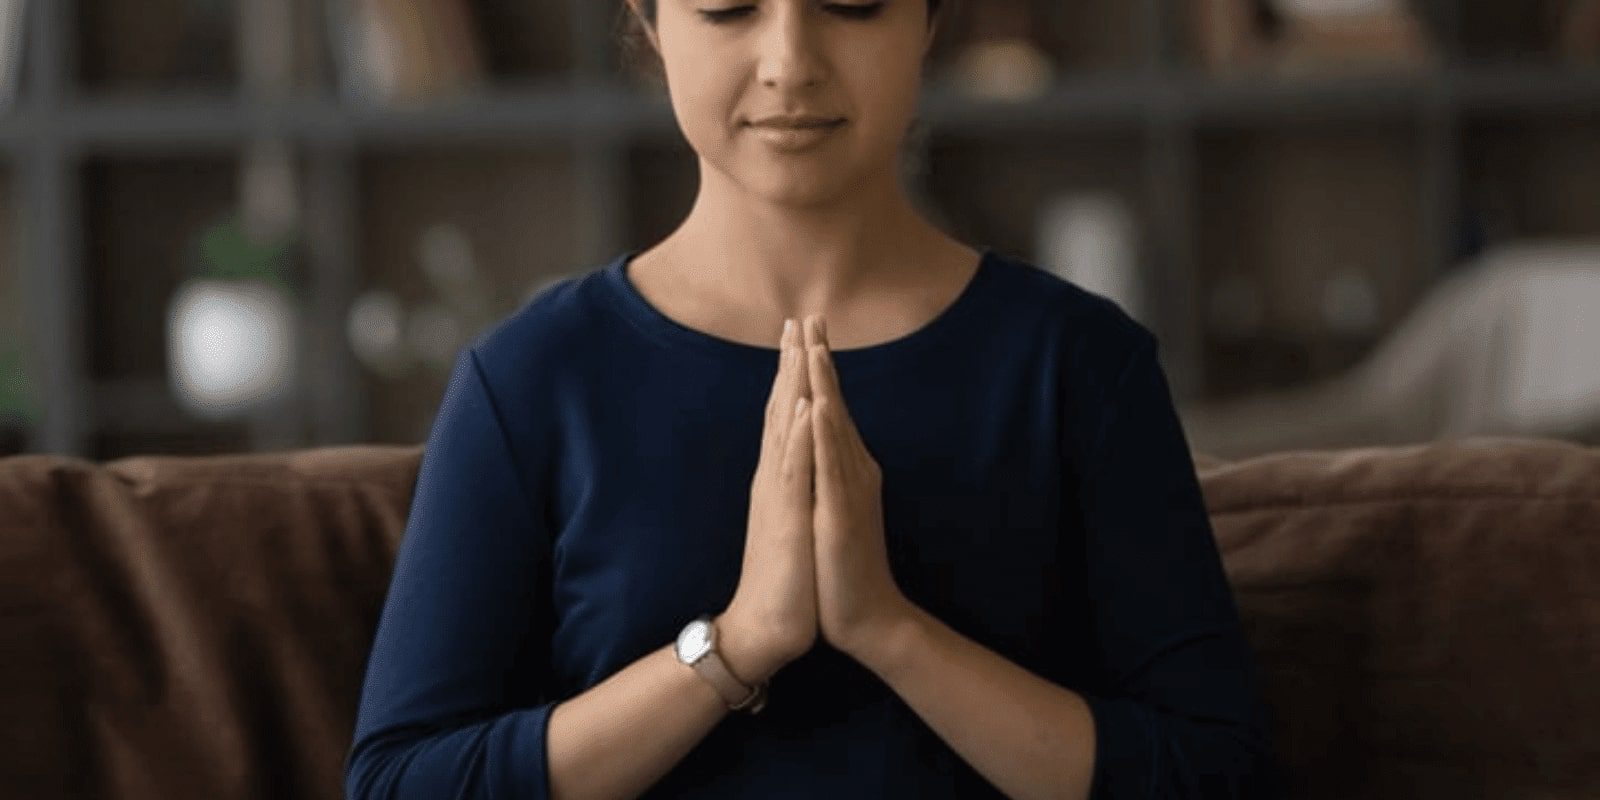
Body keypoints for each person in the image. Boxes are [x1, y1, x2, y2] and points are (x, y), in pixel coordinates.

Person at [344, 1, 1281, 798]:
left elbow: (1213, 770)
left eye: (853, 2)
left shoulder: (1080, 365)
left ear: (929, 20)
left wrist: (889, 630)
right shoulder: (530, 381)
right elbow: (400, 781)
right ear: (650, 21)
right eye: (728, 8)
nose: (790, 62)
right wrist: (739, 644)